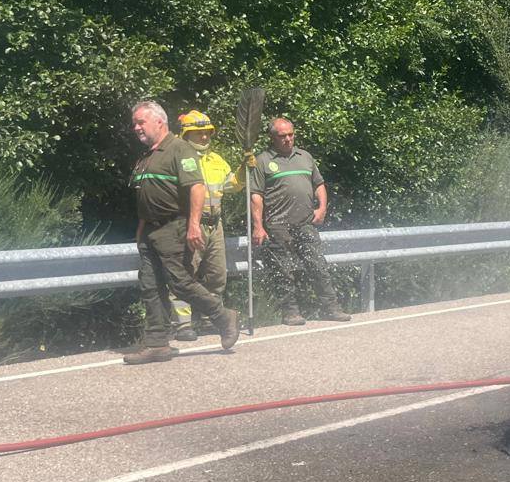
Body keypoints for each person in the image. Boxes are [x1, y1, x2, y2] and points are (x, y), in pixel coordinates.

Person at [125, 101, 241, 364]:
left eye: (140, 122)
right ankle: (157, 343)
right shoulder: (147, 157)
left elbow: (197, 188)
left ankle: (223, 317)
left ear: (159, 121)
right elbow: (146, 197)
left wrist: (192, 225)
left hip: (174, 227)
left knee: (180, 282)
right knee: (150, 287)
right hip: (149, 231)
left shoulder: (179, 149)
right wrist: (141, 231)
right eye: (135, 123)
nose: (136, 128)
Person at [250, 118, 350, 326]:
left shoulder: (305, 157)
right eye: (282, 136)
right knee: (284, 271)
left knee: (318, 266)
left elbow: (319, 185)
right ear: (272, 137)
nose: (287, 139)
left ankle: (331, 308)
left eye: (290, 134)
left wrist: (322, 208)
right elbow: (256, 196)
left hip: (305, 222)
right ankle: (291, 312)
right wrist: (258, 226)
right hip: (277, 224)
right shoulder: (263, 160)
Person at [170, 110, 240, 342]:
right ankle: (183, 324)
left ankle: (213, 316)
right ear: (186, 134)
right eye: (198, 133)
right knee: (185, 274)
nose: (204, 137)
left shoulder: (216, 160)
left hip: (215, 224)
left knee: (216, 275)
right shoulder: (179, 158)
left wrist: (246, 170)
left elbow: (233, 185)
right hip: (190, 223)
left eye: (207, 132)